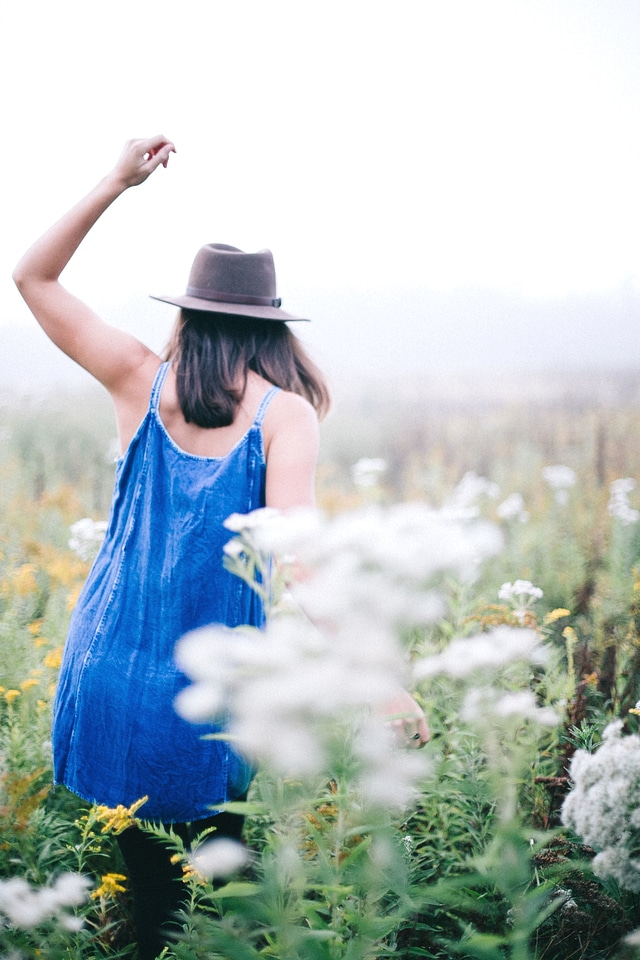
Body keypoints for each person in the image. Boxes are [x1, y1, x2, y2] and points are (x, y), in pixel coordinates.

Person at [13, 135, 429, 959]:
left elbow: (31, 276)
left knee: (144, 911)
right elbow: (302, 562)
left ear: (188, 313)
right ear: (270, 326)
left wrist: (113, 183)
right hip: (209, 703)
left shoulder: (138, 378)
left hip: (106, 676)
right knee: (219, 916)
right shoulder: (286, 416)